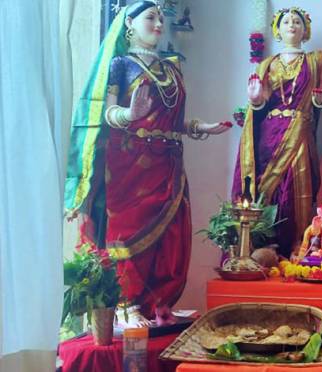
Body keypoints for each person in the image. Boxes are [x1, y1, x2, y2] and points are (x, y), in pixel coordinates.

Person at [64, 1, 231, 327]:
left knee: (172, 232)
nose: (158, 25)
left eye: (160, 18)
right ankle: (126, 305)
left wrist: (201, 128)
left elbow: (174, 121)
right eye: (150, 18)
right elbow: (107, 113)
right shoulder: (120, 65)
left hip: (169, 160)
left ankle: (160, 304)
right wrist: (128, 114)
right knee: (129, 233)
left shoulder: (171, 67)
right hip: (130, 162)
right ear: (129, 24)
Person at [232, 7, 322, 259]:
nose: (291, 25)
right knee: (269, 188)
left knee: (299, 185)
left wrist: (320, 100)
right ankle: (266, 242)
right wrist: (255, 100)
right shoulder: (267, 64)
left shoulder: (316, 60)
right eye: (286, 21)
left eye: (297, 21)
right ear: (277, 29)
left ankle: (299, 241)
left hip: (300, 130)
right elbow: (260, 104)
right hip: (270, 135)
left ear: (305, 29)